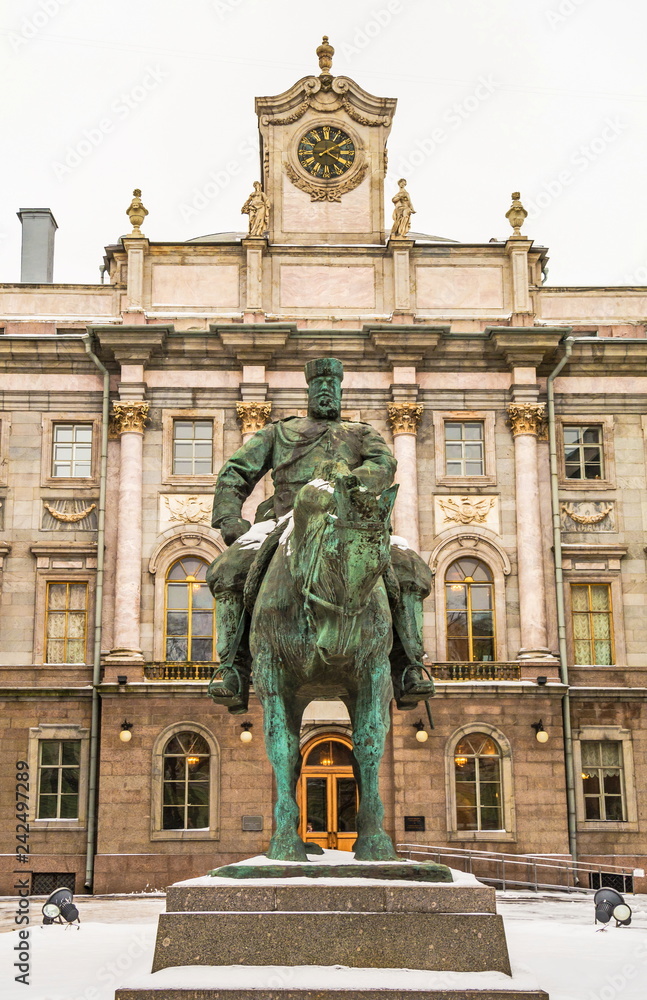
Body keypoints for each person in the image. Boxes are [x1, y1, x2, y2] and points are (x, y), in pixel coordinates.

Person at [207, 357, 433, 714]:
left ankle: (408, 664)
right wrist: (228, 517)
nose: (326, 393)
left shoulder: (360, 433)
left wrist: (347, 487)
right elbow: (235, 471)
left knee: (409, 569)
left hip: (350, 523)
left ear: (341, 394)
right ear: (309, 392)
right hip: (285, 524)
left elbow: (384, 464)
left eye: (332, 387)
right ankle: (233, 667)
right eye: (319, 387)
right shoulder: (280, 432)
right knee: (229, 570)